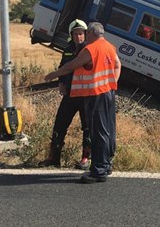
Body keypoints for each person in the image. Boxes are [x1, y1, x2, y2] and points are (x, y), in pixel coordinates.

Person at [45, 22, 121, 183]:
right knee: (108, 130)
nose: (84, 36)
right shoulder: (109, 46)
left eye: (86, 33)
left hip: (94, 94)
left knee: (98, 132)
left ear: (91, 33)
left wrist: (54, 74)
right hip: (108, 93)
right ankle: (106, 165)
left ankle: (98, 171)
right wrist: (112, 83)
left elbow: (72, 66)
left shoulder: (90, 49)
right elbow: (117, 65)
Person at [38, 19, 91, 169]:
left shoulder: (88, 50)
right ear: (71, 35)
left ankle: (85, 160)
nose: (78, 37)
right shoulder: (68, 49)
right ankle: (54, 158)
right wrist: (61, 82)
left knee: (87, 129)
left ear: (85, 34)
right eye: (75, 34)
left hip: (85, 96)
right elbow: (63, 67)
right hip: (70, 95)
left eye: (81, 34)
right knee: (59, 126)